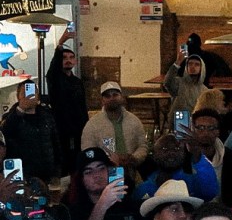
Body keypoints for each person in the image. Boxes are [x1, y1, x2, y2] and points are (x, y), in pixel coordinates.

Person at [80, 82, 149, 174]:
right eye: (107, 96)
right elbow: (88, 151)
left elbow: (142, 145)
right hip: (105, 174)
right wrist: (107, 161)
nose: (112, 98)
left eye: (115, 95)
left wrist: (133, 158)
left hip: (131, 171)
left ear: (122, 97)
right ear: (102, 100)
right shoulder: (92, 125)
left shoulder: (134, 121)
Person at [1, 80, 61, 184]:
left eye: (33, 92)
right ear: (18, 96)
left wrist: (57, 171)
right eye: (24, 93)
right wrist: (21, 109)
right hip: (22, 175)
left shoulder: (47, 116)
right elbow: (5, 133)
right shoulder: (11, 117)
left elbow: (55, 143)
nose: (29, 95)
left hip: (46, 174)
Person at [45, 36, 88, 176]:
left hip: (79, 128)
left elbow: (82, 105)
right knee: (63, 162)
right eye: (64, 58)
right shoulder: (55, 79)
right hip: (61, 128)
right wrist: (60, 44)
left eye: (71, 57)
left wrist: (86, 126)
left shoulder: (77, 82)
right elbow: (53, 69)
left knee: (78, 161)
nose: (68, 60)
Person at [136, 131, 218, 203]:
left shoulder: (193, 184)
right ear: (154, 154)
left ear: (184, 154)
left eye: (177, 148)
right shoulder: (143, 189)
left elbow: (210, 193)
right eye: (165, 148)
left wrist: (197, 154)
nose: (171, 153)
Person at [191, 106, 232, 207]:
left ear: (218, 131)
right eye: (200, 128)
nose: (205, 133)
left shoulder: (231, 160)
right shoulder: (184, 157)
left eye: (211, 128)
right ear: (193, 130)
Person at [164, 51, 208, 120]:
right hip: (180, 119)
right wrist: (178, 62)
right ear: (186, 67)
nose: (193, 67)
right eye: (190, 64)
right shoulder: (179, 83)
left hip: (196, 120)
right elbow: (167, 82)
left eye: (197, 64)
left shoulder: (204, 90)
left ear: (201, 68)